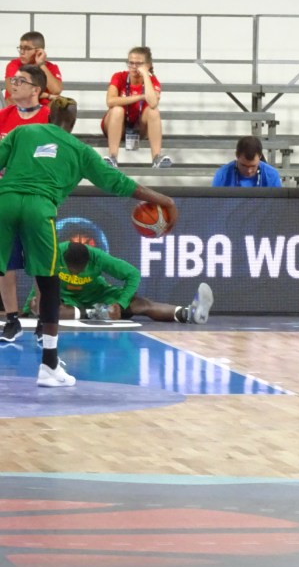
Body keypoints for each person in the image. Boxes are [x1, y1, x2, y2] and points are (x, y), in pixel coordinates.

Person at [0, 97, 178, 385]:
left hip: (4, 202)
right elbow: (118, 183)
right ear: (72, 123)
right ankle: (48, 365)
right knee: (49, 282)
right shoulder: (79, 150)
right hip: (39, 208)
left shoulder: (22, 133)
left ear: (47, 116)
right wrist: (164, 199)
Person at [24, 241, 212, 325]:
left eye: (80, 269)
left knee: (141, 304)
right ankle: (98, 313)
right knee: (40, 307)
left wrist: (120, 304)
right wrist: (27, 307)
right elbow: (39, 281)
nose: (76, 274)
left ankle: (189, 314)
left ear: (88, 261)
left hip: (98, 295)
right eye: (72, 270)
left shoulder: (98, 257)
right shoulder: (54, 254)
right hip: (65, 298)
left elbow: (133, 275)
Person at [0, 64, 50, 343]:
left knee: (40, 264)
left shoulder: (48, 117)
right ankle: (11, 319)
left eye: (21, 80)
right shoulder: (3, 116)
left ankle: (44, 320)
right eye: (12, 79)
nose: (13, 84)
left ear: (36, 90)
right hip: (6, 198)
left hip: (36, 198)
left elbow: (51, 155)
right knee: (5, 263)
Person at [101, 46, 171, 169]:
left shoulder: (152, 81)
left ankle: (156, 158)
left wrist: (145, 75)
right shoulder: (119, 77)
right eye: (131, 63)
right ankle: (112, 158)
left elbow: (153, 103)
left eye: (139, 64)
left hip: (140, 127)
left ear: (148, 65)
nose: (134, 67)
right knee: (117, 109)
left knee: (153, 111)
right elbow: (110, 101)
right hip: (116, 125)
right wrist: (140, 97)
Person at [4, 31, 62, 106]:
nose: (22, 52)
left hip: (43, 113)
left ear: (39, 51)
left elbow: (56, 91)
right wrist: (47, 96)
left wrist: (41, 64)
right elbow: (15, 91)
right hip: (19, 110)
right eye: (20, 48)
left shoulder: (51, 67)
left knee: (59, 104)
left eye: (27, 48)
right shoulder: (14, 65)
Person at [211, 136, 282, 187]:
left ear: (260, 157)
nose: (249, 171)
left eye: (253, 166)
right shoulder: (222, 174)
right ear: (237, 156)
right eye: (244, 165)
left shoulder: (272, 175)